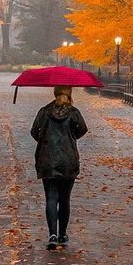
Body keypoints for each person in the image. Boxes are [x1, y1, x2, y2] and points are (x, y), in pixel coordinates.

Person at [30, 86, 87, 249]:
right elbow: (82, 129)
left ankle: (52, 235)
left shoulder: (44, 112)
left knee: (51, 197)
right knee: (65, 199)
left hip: (47, 160)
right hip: (68, 160)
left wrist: (46, 141)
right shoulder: (73, 112)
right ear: (69, 94)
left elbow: (34, 131)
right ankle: (62, 234)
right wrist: (70, 138)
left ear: (55, 94)